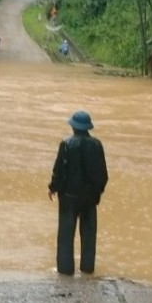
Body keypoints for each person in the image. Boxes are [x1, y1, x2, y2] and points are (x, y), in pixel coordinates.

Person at [48, 111, 108, 275]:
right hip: (89, 198)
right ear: (88, 128)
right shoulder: (97, 145)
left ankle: (65, 270)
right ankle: (87, 269)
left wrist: (53, 187)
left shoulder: (66, 144)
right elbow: (102, 175)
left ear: (73, 127)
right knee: (89, 235)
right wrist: (97, 193)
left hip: (68, 198)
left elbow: (59, 171)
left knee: (66, 235)